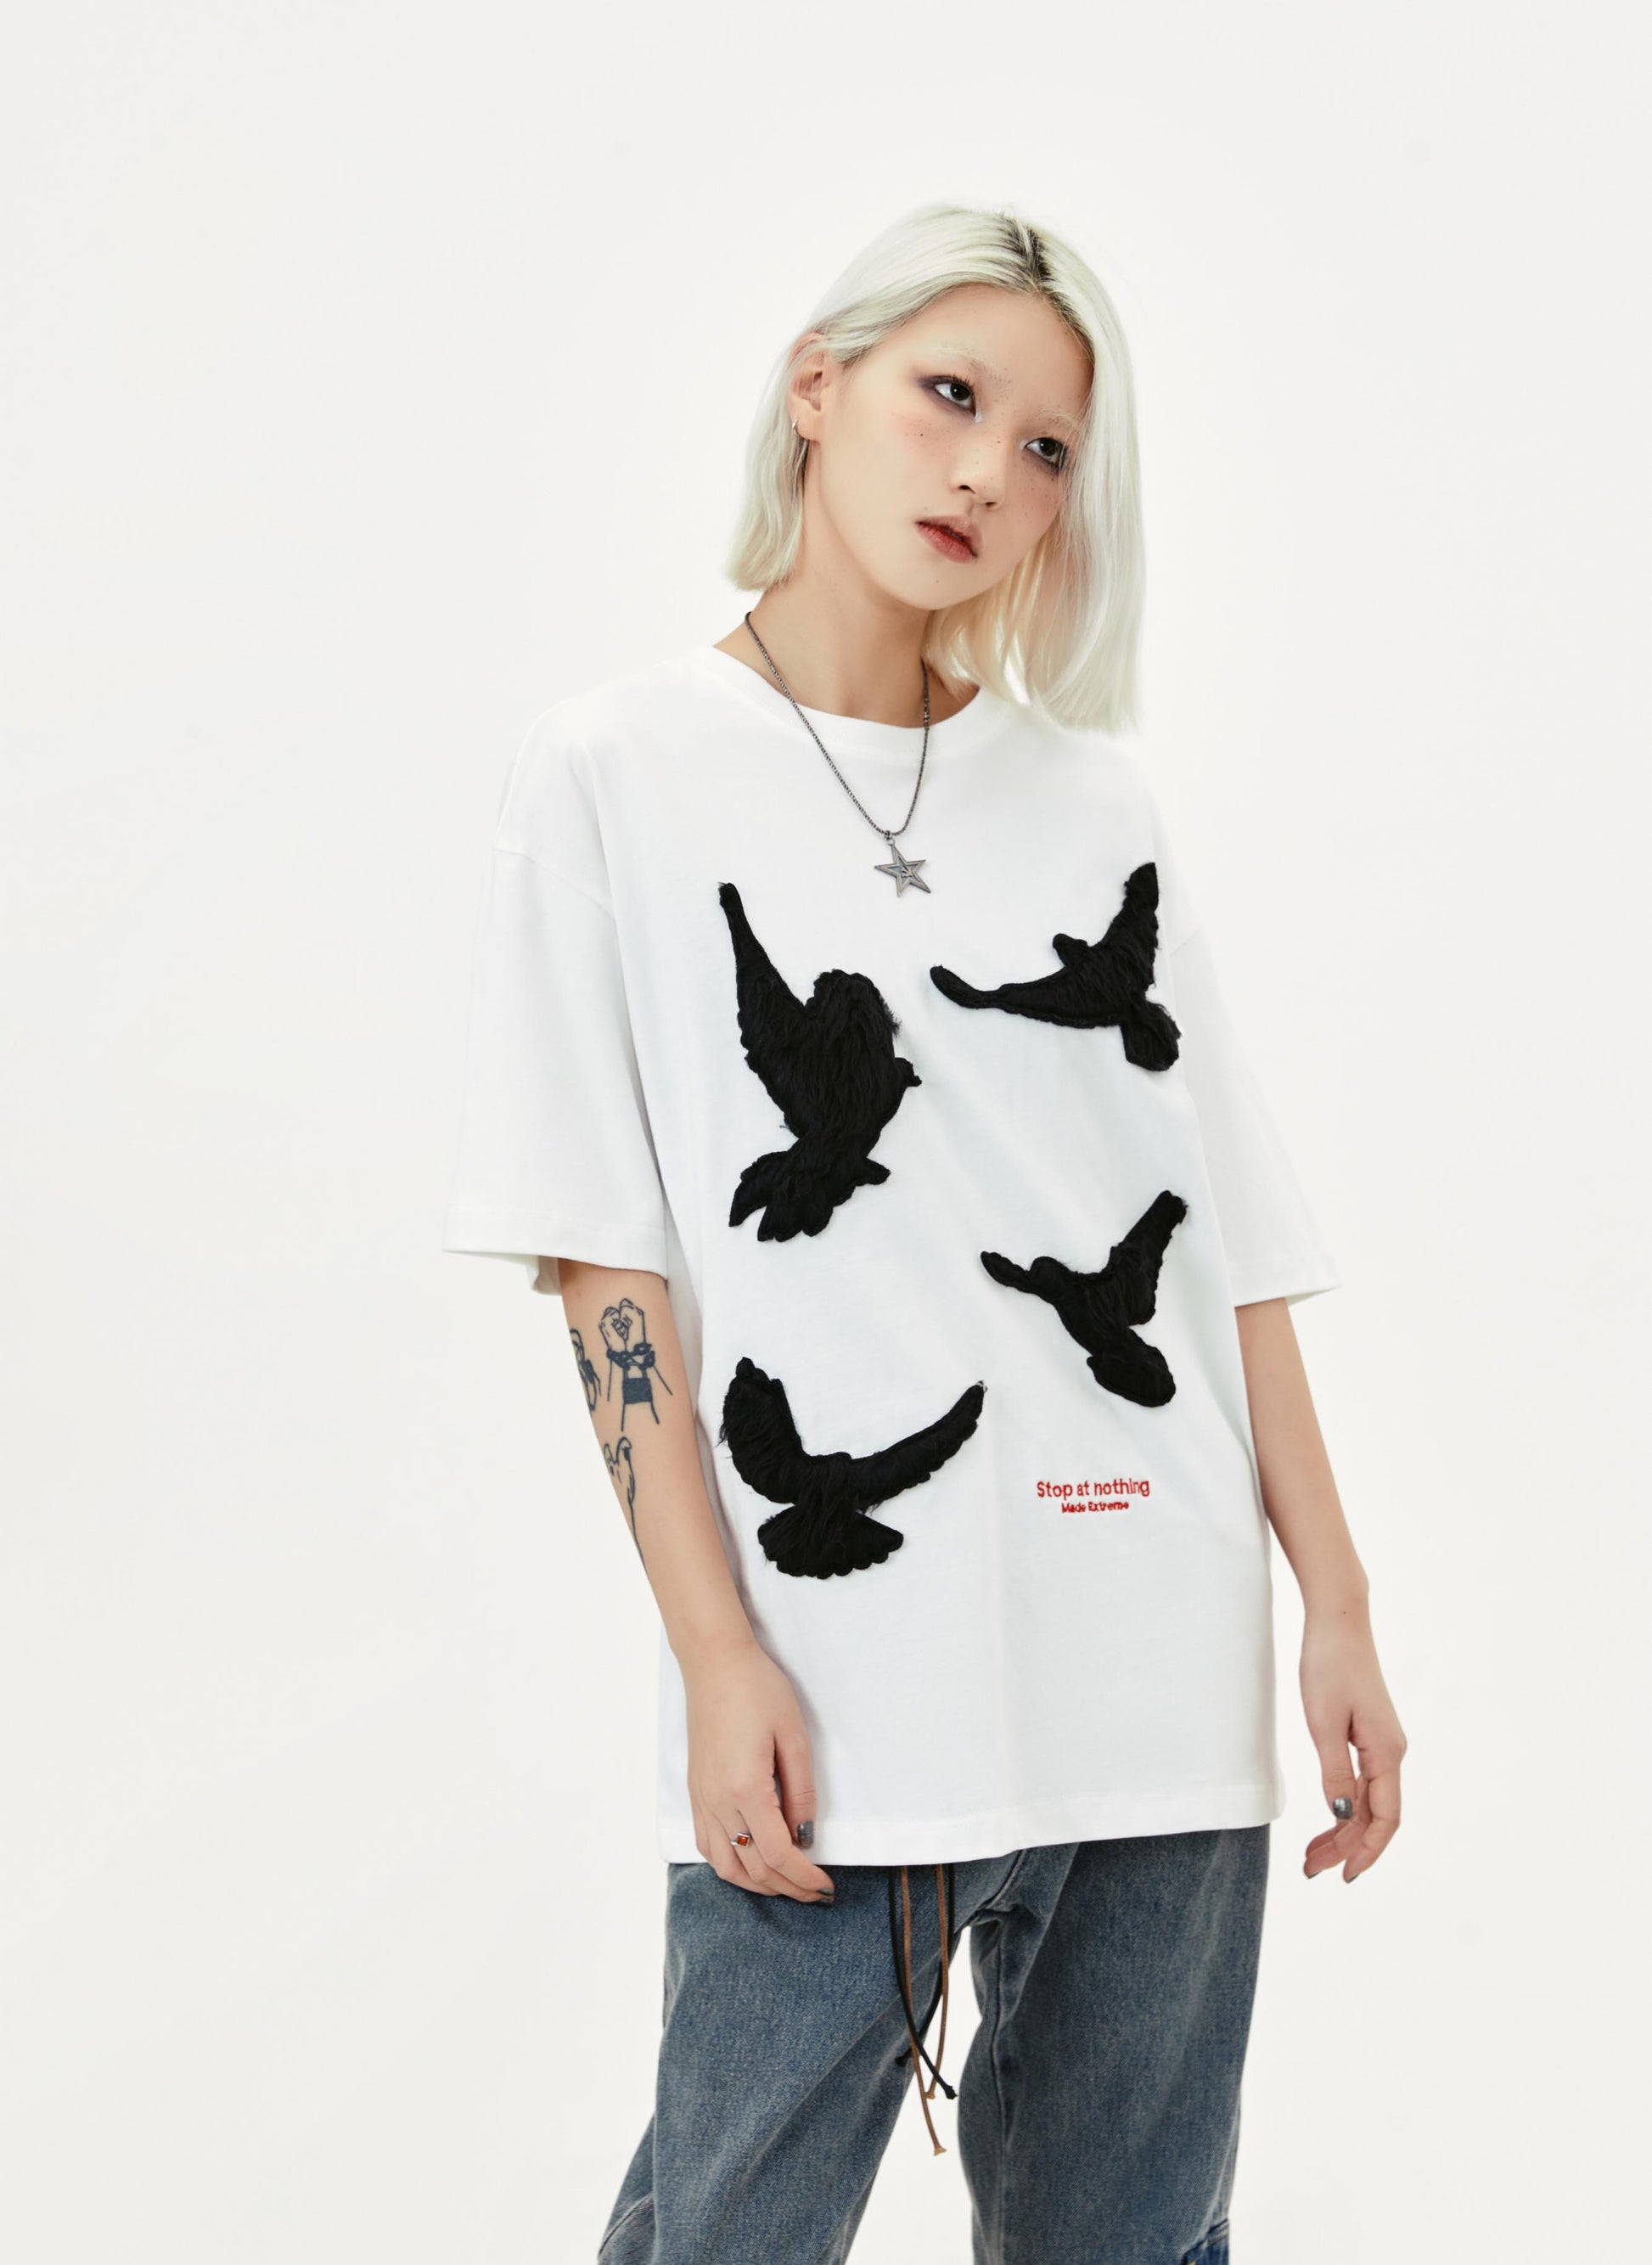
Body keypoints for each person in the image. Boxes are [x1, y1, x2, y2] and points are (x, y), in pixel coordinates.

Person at [441, 201, 1405, 2265]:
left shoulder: (1093, 804)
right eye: (946, 396)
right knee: (727, 2227)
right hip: (844, 1662)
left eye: (1046, 446)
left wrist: (1332, 1598)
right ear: (818, 388)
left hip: (1151, 1658)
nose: (987, 471)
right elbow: (606, 1264)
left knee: (1135, 2240)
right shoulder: (616, 772)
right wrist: (716, 1651)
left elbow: (1219, 1243)